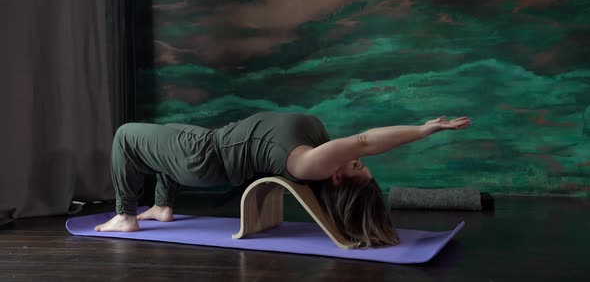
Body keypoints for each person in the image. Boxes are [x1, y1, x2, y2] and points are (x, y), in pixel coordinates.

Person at [94, 112, 471, 248]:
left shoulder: (311, 165)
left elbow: (366, 140)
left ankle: (125, 215)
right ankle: (162, 207)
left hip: (206, 154)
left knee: (127, 135)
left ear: (337, 179)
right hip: (209, 146)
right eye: (361, 164)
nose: (356, 160)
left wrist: (422, 131)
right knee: (162, 134)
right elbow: (358, 143)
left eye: (357, 167)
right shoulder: (320, 155)